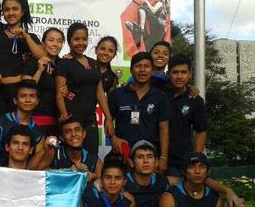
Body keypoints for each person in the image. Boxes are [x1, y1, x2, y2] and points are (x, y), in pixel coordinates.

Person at [55, 22, 113, 158]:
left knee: (92, 155)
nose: (81, 43)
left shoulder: (94, 63)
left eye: (84, 39)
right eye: (76, 39)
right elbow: (59, 94)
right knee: (70, 157)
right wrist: (64, 117)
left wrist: (109, 118)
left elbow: (99, 93)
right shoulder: (64, 63)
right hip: (72, 117)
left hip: (90, 118)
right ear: (69, 41)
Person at [0, 0, 45, 116]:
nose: (11, 13)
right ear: (3, 13)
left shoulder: (31, 37)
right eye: (6, 10)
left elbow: (41, 56)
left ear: (22, 12)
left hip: (21, 94)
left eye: (15, 9)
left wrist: (26, 37)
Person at [108, 52, 169, 172]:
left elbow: (164, 129)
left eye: (146, 66)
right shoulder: (117, 94)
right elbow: (108, 121)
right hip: (123, 155)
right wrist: (113, 138)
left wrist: (163, 157)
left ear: (152, 70)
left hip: (149, 157)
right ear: (131, 70)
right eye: (138, 66)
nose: (142, 70)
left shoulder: (160, 96)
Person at [0, 80, 45, 167]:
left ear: (37, 101)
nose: (28, 100)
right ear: (15, 100)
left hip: (23, 177)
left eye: (32, 96)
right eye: (23, 96)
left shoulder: (39, 133)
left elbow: (34, 168)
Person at [166, 54, 207, 177]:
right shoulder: (158, 93)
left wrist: (196, 159)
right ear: (168, 74)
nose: (179, 76)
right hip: (156, 158)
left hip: (181, 160)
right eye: (175, 72)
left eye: (183, 72)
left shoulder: (196, 100)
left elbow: (201, 131)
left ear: (190, 75)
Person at [23, 27, 65, 137]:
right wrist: (39, 71)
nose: (55, 44)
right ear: (43, 43)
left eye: (59, 41)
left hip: (57, 123)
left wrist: (67, 91)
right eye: (51, 40)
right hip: (34, 120)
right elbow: (25, 90)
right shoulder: (32, 62)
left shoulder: (64, 65)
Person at [37, 116, 102, 184]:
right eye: (68, 132)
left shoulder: (93, 159)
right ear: (62, 138)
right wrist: (67, 172)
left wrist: (90, 175)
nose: (73, 134)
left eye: (77, 130)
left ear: (84, 134)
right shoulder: (56, 153)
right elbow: (35, 174)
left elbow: (103, 182)